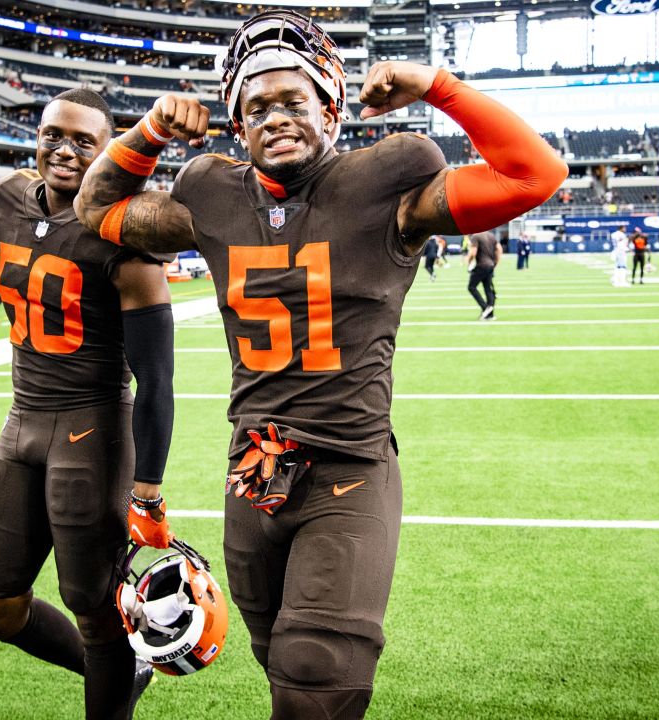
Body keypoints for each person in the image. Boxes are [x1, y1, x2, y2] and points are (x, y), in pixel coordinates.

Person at [74, 10, 567, 717]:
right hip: (253, 476)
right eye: (256, 108)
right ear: (237, 128)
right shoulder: (212, 198)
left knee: (316, 675)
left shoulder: (386, 188)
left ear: (331, 110)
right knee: (280, 668)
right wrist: (147, 132)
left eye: (293, 101)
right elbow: (96, 208)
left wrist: (437, 85)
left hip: (349, 467)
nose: (274, 117)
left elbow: (534, 174)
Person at [0, 89, 174, 720]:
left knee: (96, 609)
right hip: (21, 422)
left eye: (83, 141)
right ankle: (128, 671)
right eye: (53, 134)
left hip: (92, 428)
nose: (65, 150)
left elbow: (156, 378)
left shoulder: (123, 233)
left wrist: (148, 488)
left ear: (109, 153)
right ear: (37, 137)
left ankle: (116, 679)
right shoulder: (9, 201)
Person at [466, 230, 500, 318]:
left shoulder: (476, 236)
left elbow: (473, 252)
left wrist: (469, 262)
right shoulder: (491, 236)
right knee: (488, 288)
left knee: (471, 287)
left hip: (481, 265)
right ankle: (490, 314)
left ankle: (485, 308)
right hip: (490, 265)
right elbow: (499, 249)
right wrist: (495, 262)